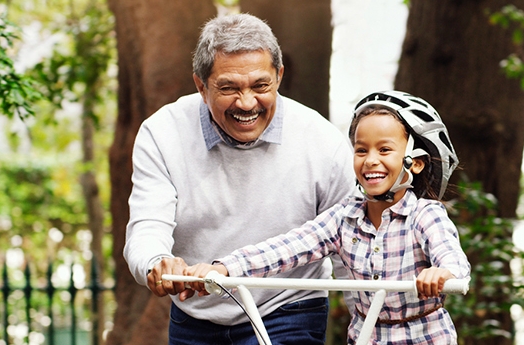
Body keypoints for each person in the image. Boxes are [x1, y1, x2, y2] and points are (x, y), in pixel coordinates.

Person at [122, 13, 356, 345]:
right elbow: (146, 224)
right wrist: (156, 262)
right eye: (229, 88)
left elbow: (349, 244)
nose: (246, 103)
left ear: (279, 76)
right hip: (196, 315)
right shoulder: (163, 133)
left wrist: (368, 324)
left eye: (260, 86)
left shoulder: (321, 141)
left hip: (288, 307)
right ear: (201, 86)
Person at [185, 90, 472, 345]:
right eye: (362, 150)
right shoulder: (344, 217)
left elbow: (453, 259)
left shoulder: (425, 215)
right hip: (366, 337)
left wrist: (443, 273)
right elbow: (288, 247)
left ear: (416, 162)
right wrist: (225, 268)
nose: (370, 159)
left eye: (384, 150)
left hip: (424, 336)